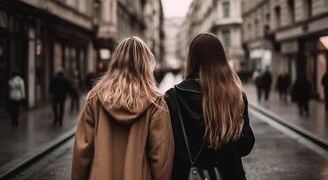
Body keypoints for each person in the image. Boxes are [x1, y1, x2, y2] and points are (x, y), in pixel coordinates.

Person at [71, 37, 174, 180]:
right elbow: (161, 158)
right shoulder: (155, 102)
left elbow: (82, 152)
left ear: (115, 62)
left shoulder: (95, 98)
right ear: (146, 64)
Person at [165, 33, 255, 180]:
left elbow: (167, 147)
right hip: (230, 174)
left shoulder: (173, 96)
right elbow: (245, 146)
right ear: (222, 59)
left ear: (191, 59)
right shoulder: (235, 95)